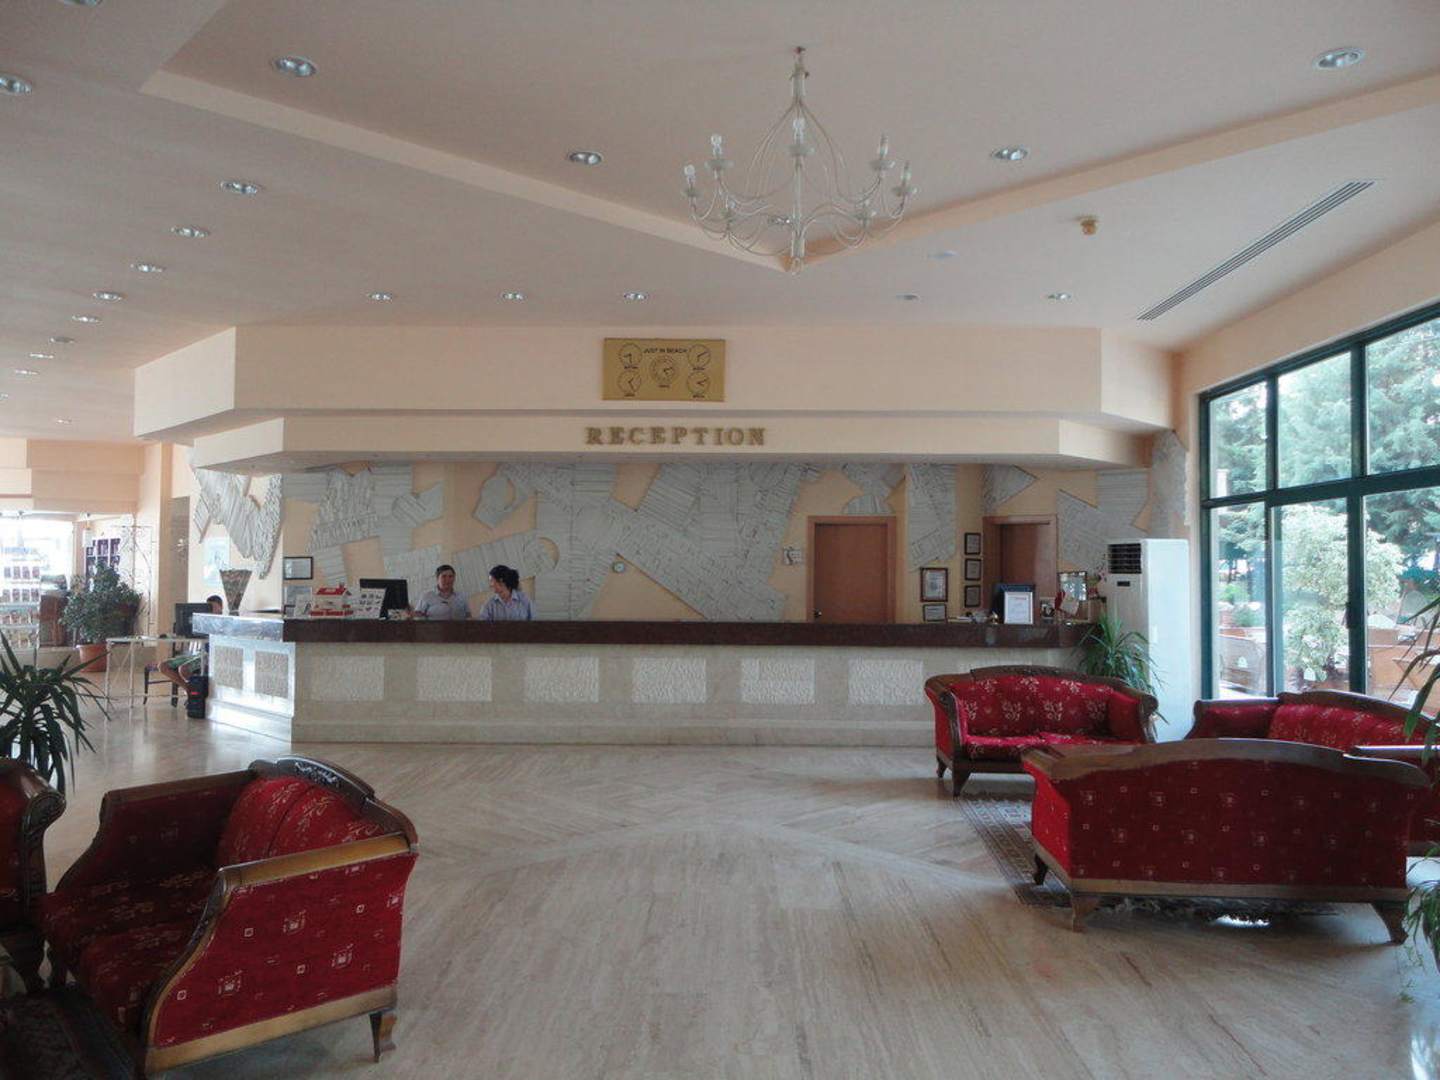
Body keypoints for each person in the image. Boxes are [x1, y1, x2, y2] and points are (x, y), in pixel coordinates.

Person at [157, 595, 223, 693]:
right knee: (163, 666)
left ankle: (196, 693)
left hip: (212, 656)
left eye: (213, 607)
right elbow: (185, 632)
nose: (211, 610)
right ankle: (190, 691)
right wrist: (169, 635)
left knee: (183, 669)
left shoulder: (223, 623)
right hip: (199, 654)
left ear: (221, 608)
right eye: (208, 607)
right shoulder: (202, 622)